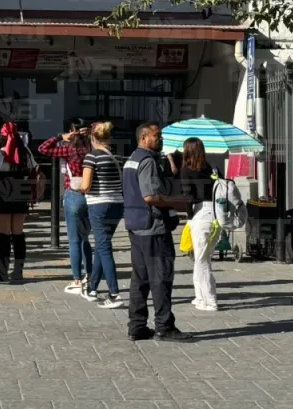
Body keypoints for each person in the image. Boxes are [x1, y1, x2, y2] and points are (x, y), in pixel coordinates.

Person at [123, 123, 190, 342]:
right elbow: (150, 196)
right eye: (156, 136)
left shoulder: (132, 159)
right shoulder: (147, 161)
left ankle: (137, 326)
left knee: (140, 278)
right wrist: (178, 204)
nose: (160, 139)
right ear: (144, 138)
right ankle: (164, 326)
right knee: (161, 278)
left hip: (136, 225)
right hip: (153, 227)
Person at [40, 120, 93, 295]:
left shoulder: (69, 149)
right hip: (91, 195)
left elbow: (43, 148)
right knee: (86, 238)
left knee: (74, 240)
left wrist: (60, 137)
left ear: (72, 131)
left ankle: (77, 278)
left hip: (74, 194)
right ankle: (90, 274)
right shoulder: (92, 149)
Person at [81, 120, 126, 309]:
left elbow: (85, 185)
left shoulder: (92, 157)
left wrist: (78, 187)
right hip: (117, 204)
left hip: (98, 205)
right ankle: (92, 288)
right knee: (102, 245)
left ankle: (114, 293)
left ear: (93, 138)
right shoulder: (113, 157)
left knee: (104, 247)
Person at [0, 122, 38, 283]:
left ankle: (2, 271)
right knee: (18, 234)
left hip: (0, 191)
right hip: (21, 190)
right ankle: (18, 271)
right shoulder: (25, 152)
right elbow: (34, 169)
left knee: (2, 235)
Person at [179, 137, 219, 312]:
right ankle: (200, 296)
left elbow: (188, 197)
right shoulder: (209, 168)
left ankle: (210, 300)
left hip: (200, 212)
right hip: (215, 213)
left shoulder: (187, 171)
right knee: (203, 257)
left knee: (201, 259)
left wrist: (188, 216)